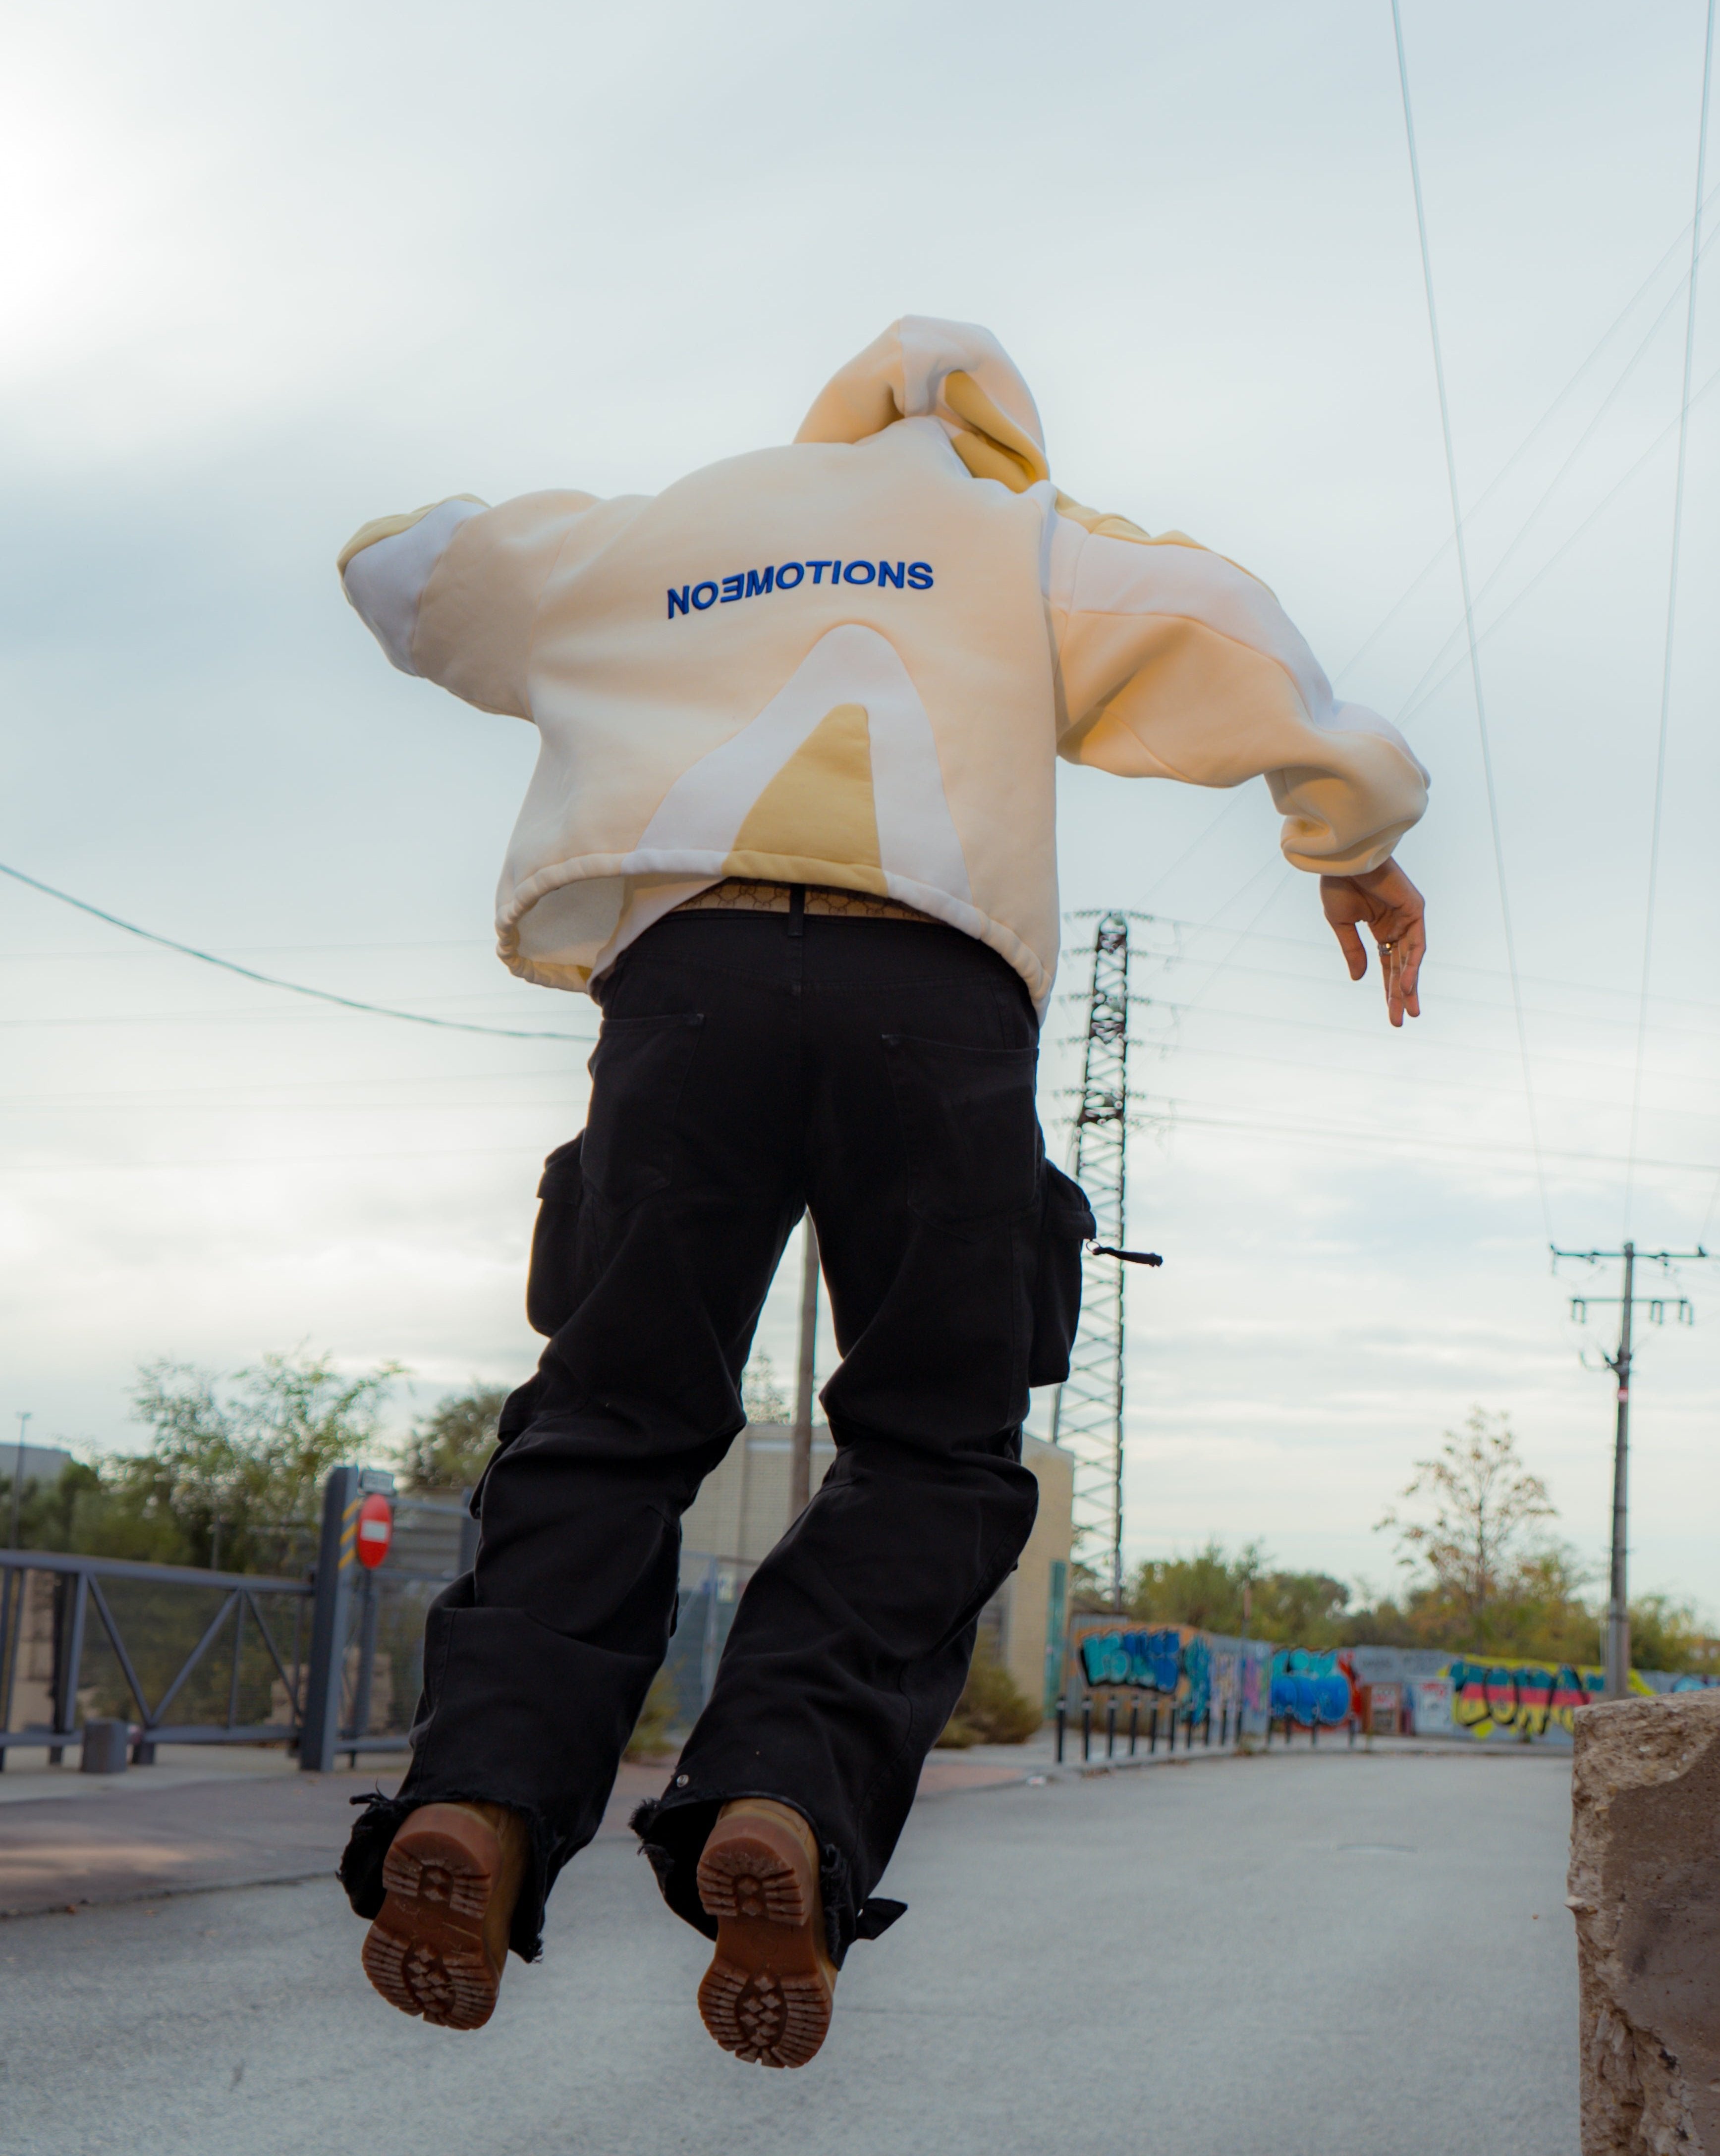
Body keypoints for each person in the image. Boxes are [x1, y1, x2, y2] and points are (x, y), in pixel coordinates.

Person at [333, 318, 1429, 2066]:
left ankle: (476, 1797)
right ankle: (783, 1789)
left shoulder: (670, 529)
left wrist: (605, 580)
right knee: (934, 1442)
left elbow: (416, 569)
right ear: (1000, 436)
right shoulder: (1022, 537)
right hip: (936, 1000)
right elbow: (1228, 629)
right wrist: (1349, 831)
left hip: (684, 997)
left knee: (611, 1418)